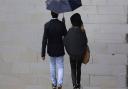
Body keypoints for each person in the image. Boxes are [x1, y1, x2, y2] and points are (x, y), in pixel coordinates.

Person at [41, 11, 67, 89]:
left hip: (51, 50)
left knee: (52, 66)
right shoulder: (61, 24)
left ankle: (54, 83)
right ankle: (59, 84)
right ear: (58, 14)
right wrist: (63, 24)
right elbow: (66, 35)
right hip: (60, 49)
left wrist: (43, 53)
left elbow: (44, 40)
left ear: (51, 14)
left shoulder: (47, 25)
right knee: (60, 67)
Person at [64, 13, 88, 89]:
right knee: (79, 68)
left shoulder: (69, 31)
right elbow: (85, 41)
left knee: (73, 68)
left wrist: (69, 51)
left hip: (72, 54)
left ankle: (74, 84)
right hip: (80, 54)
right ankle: (78, 83)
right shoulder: (82, 31)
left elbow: (65, 41)